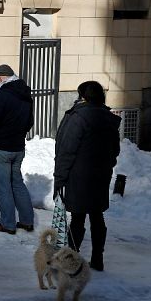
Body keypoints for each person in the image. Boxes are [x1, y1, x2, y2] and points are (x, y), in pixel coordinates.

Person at [54, 81, 121, 271]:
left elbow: (67, 150)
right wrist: (106, 165)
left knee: (78, 218)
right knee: (97, 216)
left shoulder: (78, 117)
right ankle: (97, 258)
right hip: (100, 175)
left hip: (79, 176)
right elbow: (115, 149)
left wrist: (60, 178)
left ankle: (71, 259)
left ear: (83, 96)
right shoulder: (108, 117)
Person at [0, 64, 35, 235]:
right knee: (17, 183)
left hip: (0, 147)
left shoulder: (0, 95)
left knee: (2, 186)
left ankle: (7, 223)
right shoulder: (25, 94)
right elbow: (30, 122)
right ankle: (27, 221)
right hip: (18, 146)